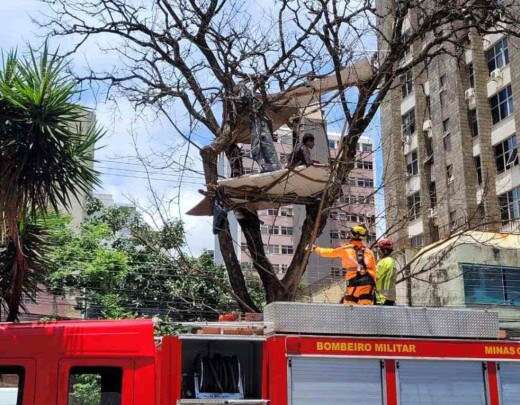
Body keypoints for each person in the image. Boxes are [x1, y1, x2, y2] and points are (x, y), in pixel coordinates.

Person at [312, 224, 377, 305]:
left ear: (352, 235)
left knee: (349, 306)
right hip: (368, 284)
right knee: (366, 308)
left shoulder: (346, 249)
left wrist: (315, 248)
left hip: (353, 282)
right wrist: (374, 285)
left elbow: (329, 252)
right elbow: (374, 270)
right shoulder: (369, 252)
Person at [375, 238, 397, 306]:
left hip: (382, 298)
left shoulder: (384, 262)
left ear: (384, 251)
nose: (378, 252)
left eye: (379, 249)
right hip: (390, 297)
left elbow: (375, 276)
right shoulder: (392, 261)